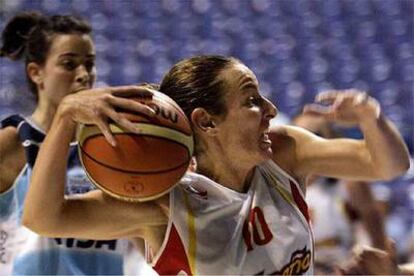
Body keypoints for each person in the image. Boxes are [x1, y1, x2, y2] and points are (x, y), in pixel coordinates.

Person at [22, 55, 410, 275]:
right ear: (207, 122)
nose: (272, 111)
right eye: (253, 100)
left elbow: (388, 165)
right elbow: (43, 217)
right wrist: (64, 120)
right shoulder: (164, 206)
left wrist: (370, 118)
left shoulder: (285, 153)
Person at [0, 11, 153, 275]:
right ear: (36, 73)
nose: (84, 75)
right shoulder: (13, 140)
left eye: (90, 64)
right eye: (69, 64)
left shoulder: (114, 146)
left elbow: (145, 241)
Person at [292, 113, 388, 274]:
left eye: (315, 135)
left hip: (345, 268)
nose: (306, 144)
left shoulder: (350, 182)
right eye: (298, 136)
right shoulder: (279, 186)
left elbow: (376, 237)